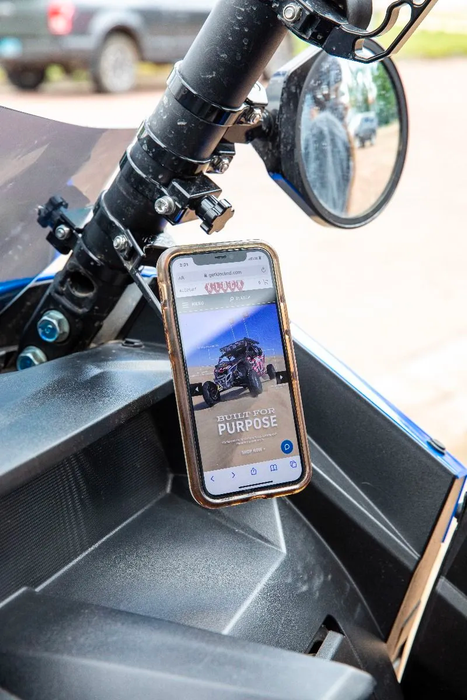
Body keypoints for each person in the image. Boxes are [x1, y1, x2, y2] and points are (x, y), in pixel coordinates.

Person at [301, 55, 354, 216]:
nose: (343, 103)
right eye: (336, 91)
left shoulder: (325, 126)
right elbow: (328, 201)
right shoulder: (324, 127)